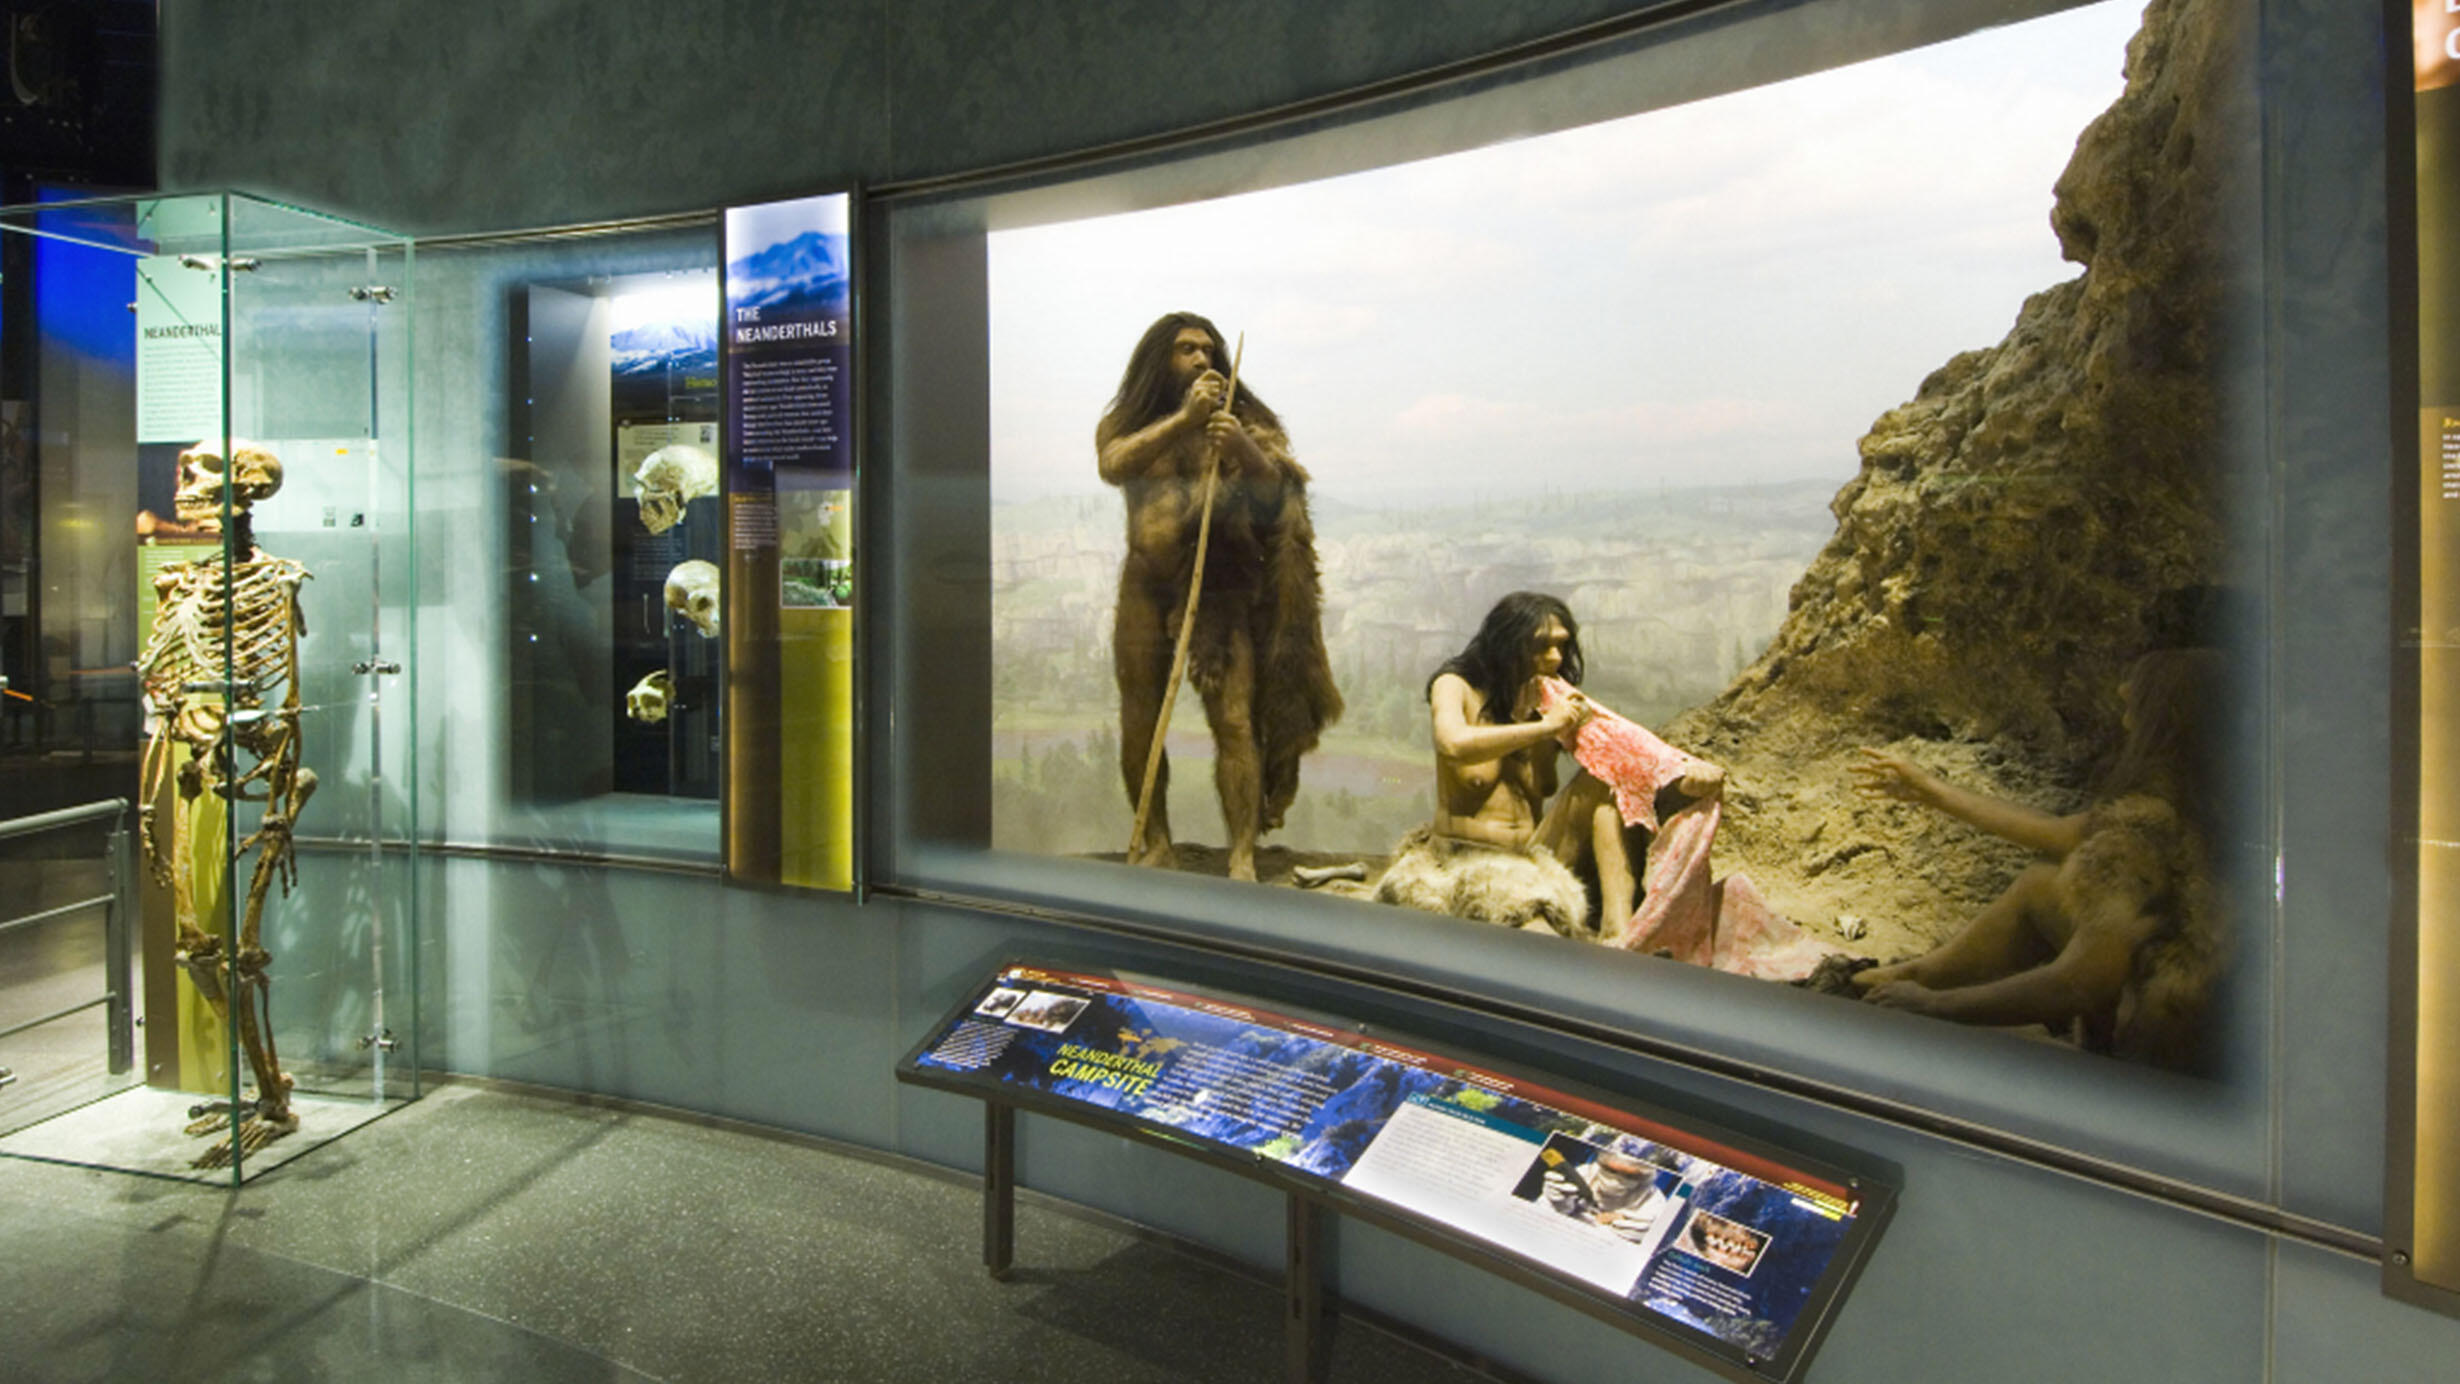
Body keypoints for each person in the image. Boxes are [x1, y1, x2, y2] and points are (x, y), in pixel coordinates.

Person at [1849, 648, 2225, 1070]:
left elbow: (2080, 984)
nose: (2123, 695)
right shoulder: (2205, 800)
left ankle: (1924, 989)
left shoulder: (2144, 834)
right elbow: (2061, 834)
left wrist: (1936, 1006)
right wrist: (1930, 790)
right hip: (2214, 1023)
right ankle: (1915, 973)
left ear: (2166, 719)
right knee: (2042, 884)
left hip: (2174, 1050)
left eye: (2139, 693)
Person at [1098, 312, 1339, 881]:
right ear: (1160, 357)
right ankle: (1156, 841)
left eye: (1208, 349)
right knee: (1139, 716)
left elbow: (1276, 490)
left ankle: (1242, 854)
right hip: (1144, 586)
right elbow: (1113, 465)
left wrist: (1240, 448)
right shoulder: (1128, 421)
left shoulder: (1242, 418)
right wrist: (1184, 421)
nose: (1202, 360)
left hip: (1218, 589)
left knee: (1234, 721)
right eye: (1186, 349)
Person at [1378, 593, 1695, 936]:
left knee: (1606, 777)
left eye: (1561, 645)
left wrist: (1564, 734)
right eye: (1541, 646)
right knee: (1538, 933)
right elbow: (1452, 743)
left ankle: (1617, 928)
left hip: (1528, 852)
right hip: (1467, 855)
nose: (1555, 658)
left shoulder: (1545, 700)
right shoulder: (1455, 685)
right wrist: (1542, 728)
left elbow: (1544, 787)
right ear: (1507, 644)